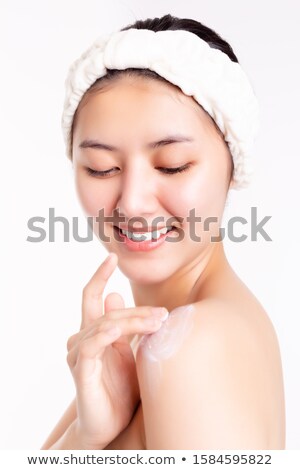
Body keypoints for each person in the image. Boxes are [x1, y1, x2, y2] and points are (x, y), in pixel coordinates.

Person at [41, 14, 285, 450]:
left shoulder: (188, 348)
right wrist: (87, 434)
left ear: (232, 165)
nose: (131, 203)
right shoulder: (140, 343)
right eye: (102, 168)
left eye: (172, 164)